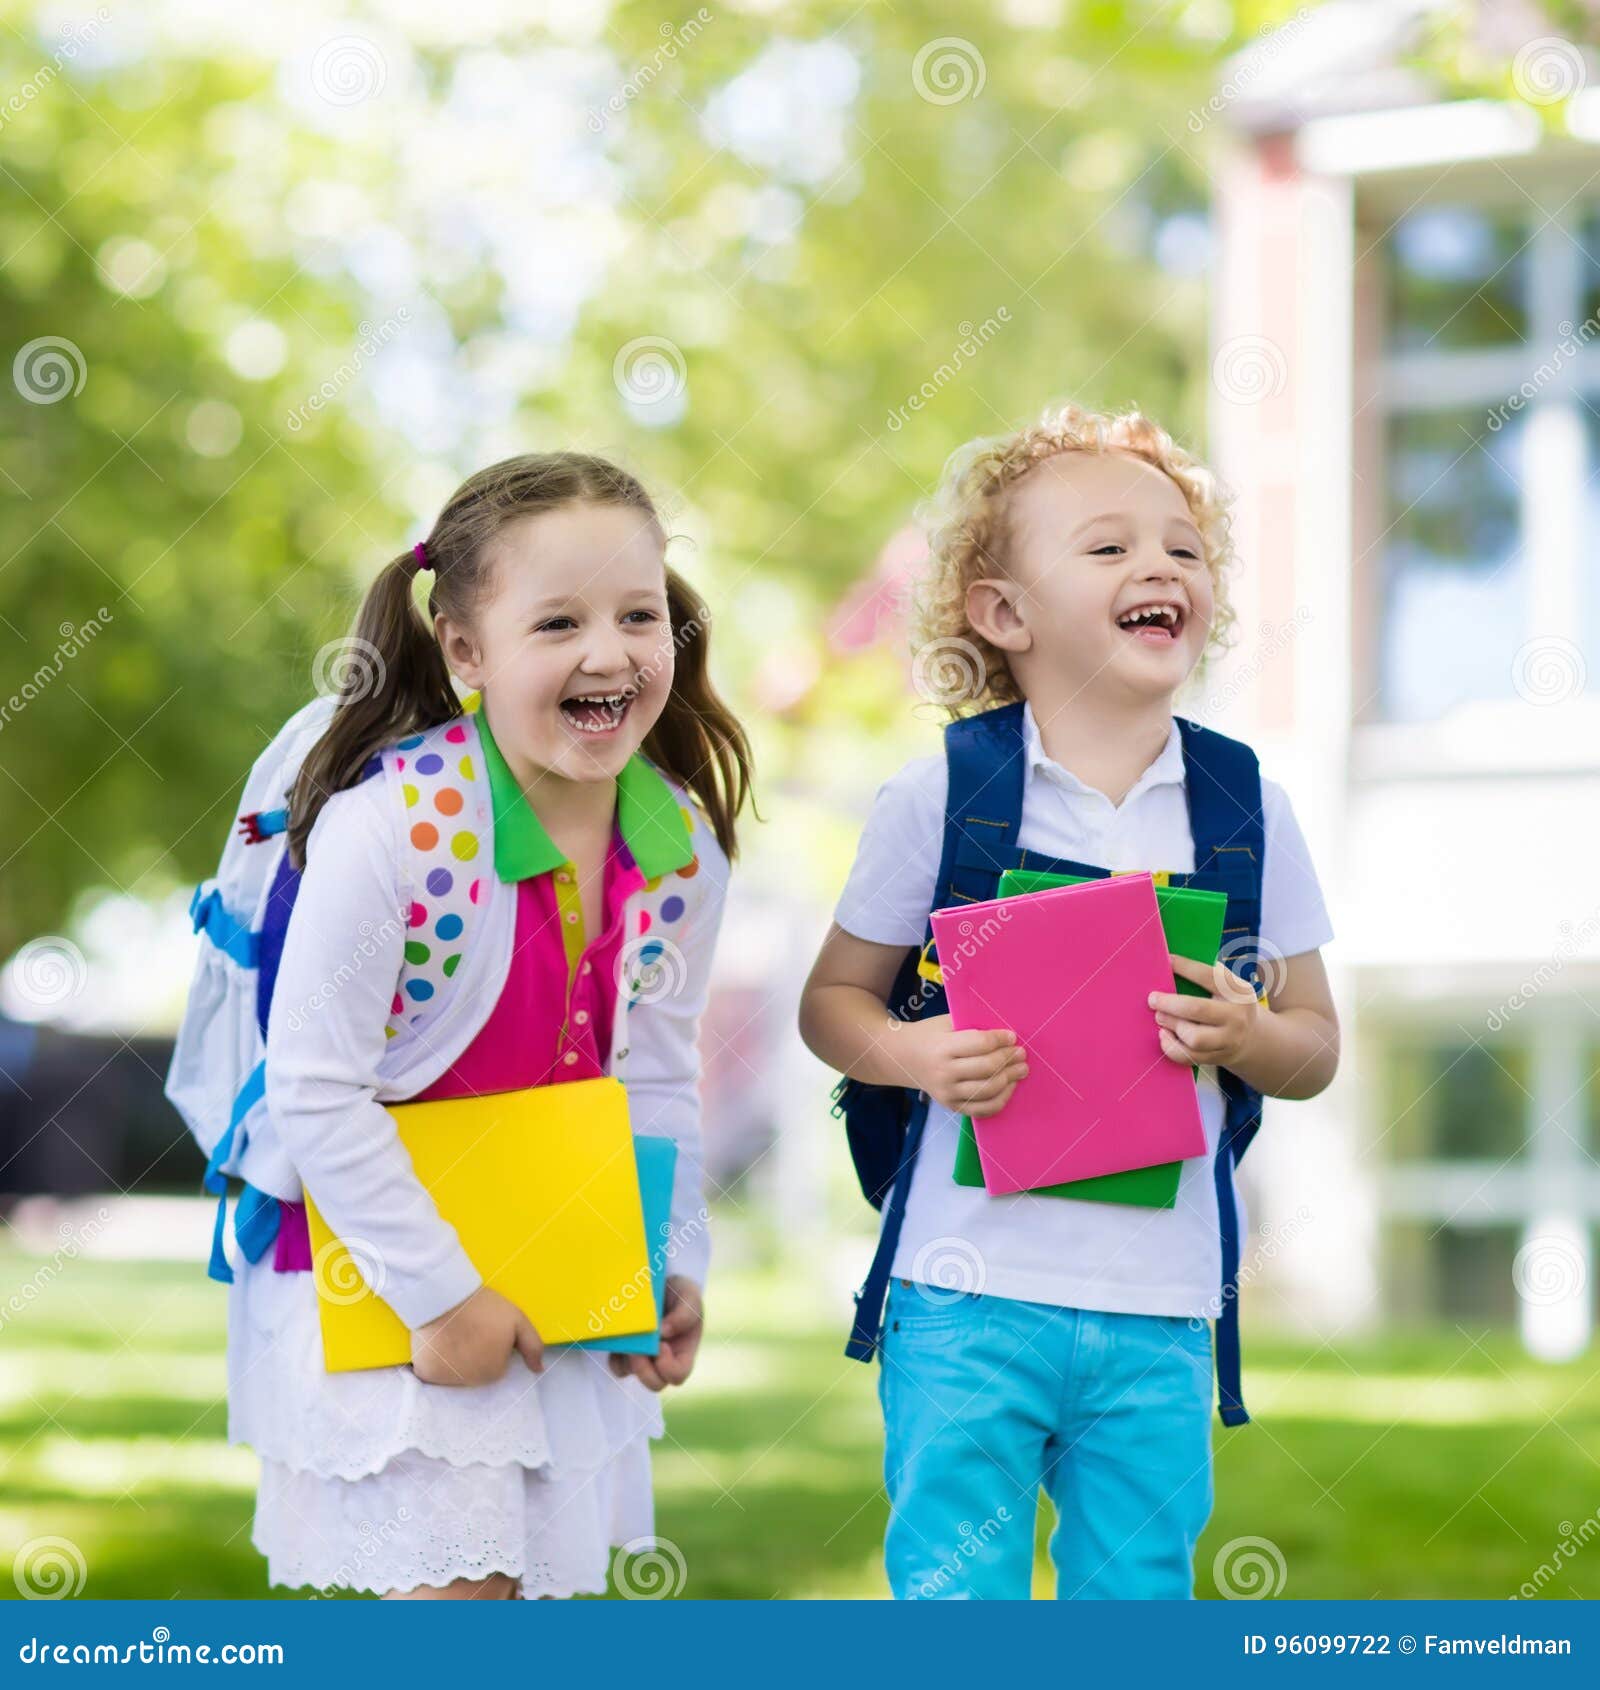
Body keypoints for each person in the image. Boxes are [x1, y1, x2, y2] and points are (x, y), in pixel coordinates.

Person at [799, 403, 1339, 1599]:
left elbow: (1315, 1046)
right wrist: (915, 1053)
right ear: (1004, 613)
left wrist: (1250, 1034)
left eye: (1182, 549)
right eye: (1106, 548)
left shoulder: (1245, 807)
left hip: (1159, 1310)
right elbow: (832, 1002)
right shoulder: (939, 797)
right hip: (964, 1298)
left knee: (1137, 1601)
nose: (1158, 565)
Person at [231, 451, 751, 1599]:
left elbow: (657, 1082)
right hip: (387, 1286)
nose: (608, 653)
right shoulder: (394, 831)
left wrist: (669, 1262)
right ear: (465, 651)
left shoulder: (680, 851)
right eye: (557, 621)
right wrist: (441, 1296)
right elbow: (311, 1087)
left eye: (639, 615)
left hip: (559, 1295)